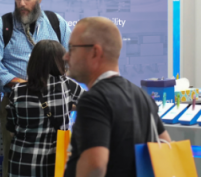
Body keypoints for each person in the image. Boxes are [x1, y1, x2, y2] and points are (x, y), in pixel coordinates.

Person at [0, 0, 71, 177]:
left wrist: (53, 85)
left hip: (55, 102)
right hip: (15, 103)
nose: (21, 3)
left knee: (56, 159)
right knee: (14, 156)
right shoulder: (2, 26)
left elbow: (70, 59)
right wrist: (27, 86)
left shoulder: (56, 23)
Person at [64, 17, 170, 177]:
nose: (66, 56)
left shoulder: (94, 100)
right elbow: (166, 144)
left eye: (72, 48)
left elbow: (95, 165)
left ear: (95, 52)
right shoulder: (142, 96)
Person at [6, 40, 83, 177]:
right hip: (56, 163)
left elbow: (11, 129)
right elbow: (92, 104)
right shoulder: (67, 86)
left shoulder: (17, 91)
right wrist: (68, 106)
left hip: (23, 163)